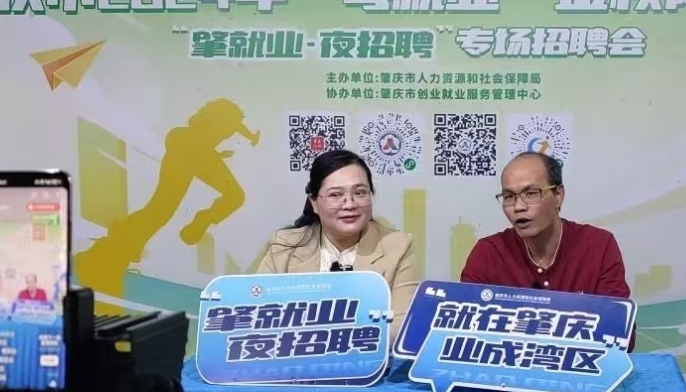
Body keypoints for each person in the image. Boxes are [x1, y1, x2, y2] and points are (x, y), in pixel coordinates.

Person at [460, 152, 636, 351]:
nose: (518, 207)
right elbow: (465, 333)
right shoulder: (488, 253)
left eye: (531, 193)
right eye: (509, 196)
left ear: (558, 196)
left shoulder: (598, 245)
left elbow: (621, 337)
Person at [258, 149, 420, 344]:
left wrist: (330, 340)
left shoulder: (398, 246)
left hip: (369, 358)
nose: (349, 204)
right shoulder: (284, 246)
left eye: (360, 193)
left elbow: (402, 327)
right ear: (314, 202)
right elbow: (259, 319)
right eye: (335, 195)